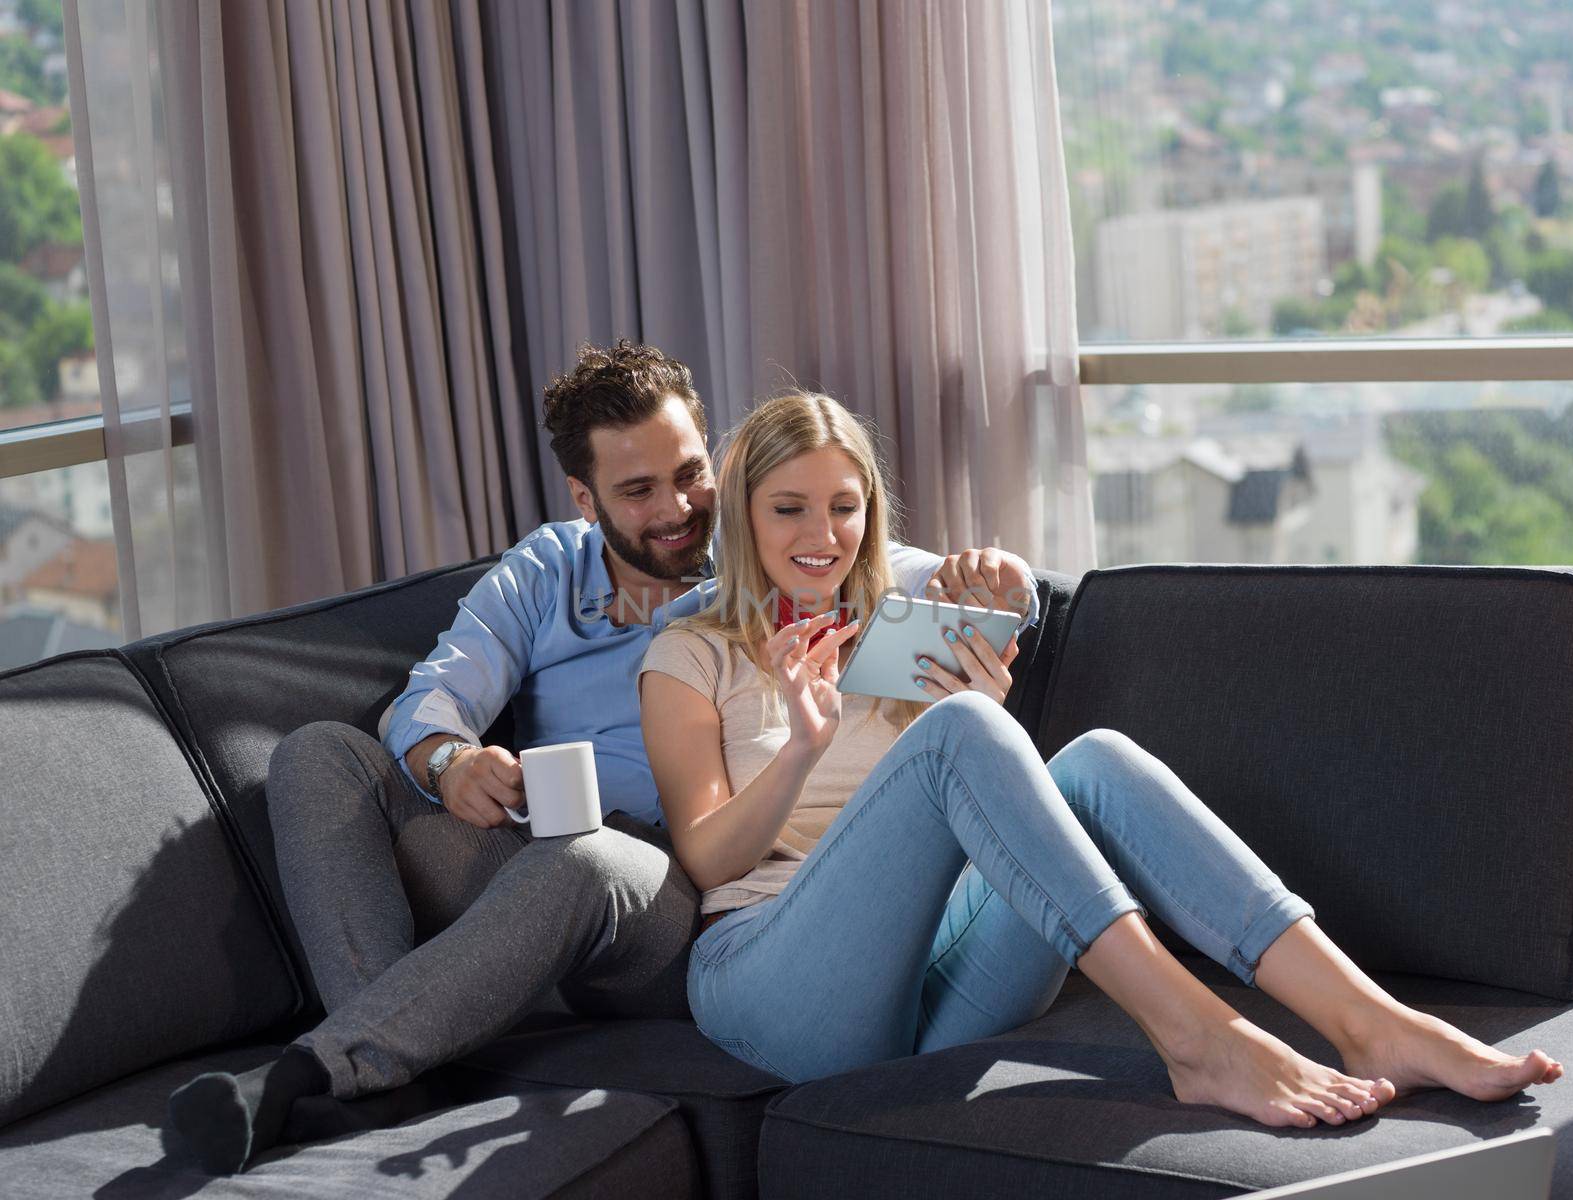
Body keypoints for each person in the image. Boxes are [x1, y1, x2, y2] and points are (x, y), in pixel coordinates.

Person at [165, 341, 1039, 1174]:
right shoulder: (543, 575)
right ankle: (391, 1053)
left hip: (669, 886)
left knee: (591, 858)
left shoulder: (776, 557)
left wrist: (997, 577)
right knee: (321, 754)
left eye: (692, 474)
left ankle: (330, 1068)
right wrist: (450, 765)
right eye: (637, 490)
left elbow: (913, 572)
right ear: (584, 500)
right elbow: (429, 702)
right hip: (533, 856)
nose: (678, 509)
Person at [638, 390, 1566, 1130]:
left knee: (1097, 763)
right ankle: (1199, 1036)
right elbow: (709, 856)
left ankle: (1375, 1024)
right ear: (745, 519)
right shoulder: (692, 655)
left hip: (923, 996)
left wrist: (977, 712)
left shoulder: (897, 635)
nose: (822, 536)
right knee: (966, 732)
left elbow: (964, 814)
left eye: (845, 508)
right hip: (773, 983)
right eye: (789, 508)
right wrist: (803, 746)